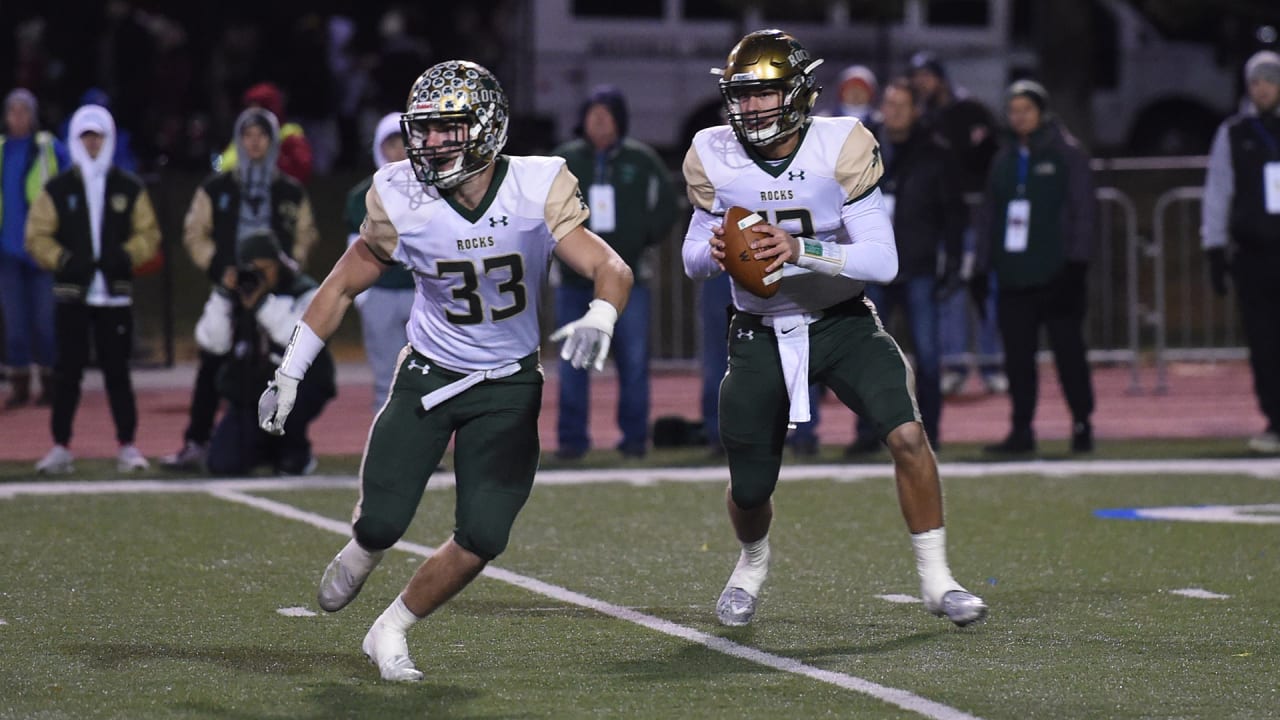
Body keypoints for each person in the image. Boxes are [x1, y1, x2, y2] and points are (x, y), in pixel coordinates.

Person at [256, 61, 632, 681]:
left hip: (509, 384)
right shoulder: (402, 194)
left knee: (484, 534)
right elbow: (341, 284)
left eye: (444, 130)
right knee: (380, 521)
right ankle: (364, 546)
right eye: (422, 130)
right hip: (429, 375)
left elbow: (611, 267)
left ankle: (391, 628)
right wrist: (291, 370)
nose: (426, 144)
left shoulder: (536, 186)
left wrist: (601, 314)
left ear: (485, 129)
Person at [681, 30, 986, 628]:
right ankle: (751, 564)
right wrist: (714, 252)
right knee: (748, 487)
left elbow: (884, 260)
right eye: (742, 96)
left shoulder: (841, 143)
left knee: (907, 437)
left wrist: (800, 248)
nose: (750, 108)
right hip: (759, 330)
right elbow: (691, 257)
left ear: (795, 93)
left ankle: (938, 580)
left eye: (763, 94)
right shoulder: (713, 152)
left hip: (842, 322)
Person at [160, 106, 319, 470]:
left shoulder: (290, 191)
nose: (254, 142)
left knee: (281, 365)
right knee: (212, 364)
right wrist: (221, 270)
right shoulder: (217, 187)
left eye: (261, 135)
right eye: (247, 135)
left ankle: (286, 445)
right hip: (230, 291)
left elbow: (304, 238)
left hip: (274, 295)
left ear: (273, 140)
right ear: (238, 139)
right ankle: (196, 441)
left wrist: (282, 275)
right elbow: (194, 233)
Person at [24, 104, 160, 473]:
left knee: (118, 373)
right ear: (76, 139)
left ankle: (127, 445)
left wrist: (125, 256)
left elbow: (149, 233)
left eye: (98, 135)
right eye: (86, 136)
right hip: (72, 295)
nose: (93, 143)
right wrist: (65, 260)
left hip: (114, 296)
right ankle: (60, 446)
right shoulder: (59, 188)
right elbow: (36, 234)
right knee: (67, 373)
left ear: (109, 138)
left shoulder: (128, 187)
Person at [552, 85, 677, 459]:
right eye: (593, 113)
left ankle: (635, 440)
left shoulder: (641, 159)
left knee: (634, 364)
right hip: (574, 282)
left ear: (620, 120)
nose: (599, 120)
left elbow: (667, 207)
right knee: (573, 364)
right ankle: (572, 442)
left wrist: (643, 238)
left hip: (629, 278)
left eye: (607, 114)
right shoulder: (565, 160)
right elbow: (543, 209)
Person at [975, 80, 1097, 454]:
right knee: (1017, 359)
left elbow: (1084, 210)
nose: (1019, 117)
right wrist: (980, 267)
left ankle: (1081, 422)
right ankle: (1021, 428)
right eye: (1013, 110)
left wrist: (1077, 263)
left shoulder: (1067, 153)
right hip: (1014, 275)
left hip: (1057, 274)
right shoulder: (1004, 158)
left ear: (1042, 112)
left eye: (1026, 109)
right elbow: (989, 215)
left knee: (1068, 354)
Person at [847, 78, 966, 455]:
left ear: (916, 110)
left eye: (902, 105)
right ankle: (867, 434)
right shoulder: (865, 150)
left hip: (917, 265)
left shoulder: (937, 151)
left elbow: (953, 213)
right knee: (867, 357)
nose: (893, 111)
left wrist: (953, 262)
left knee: (928, 357)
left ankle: (929, 433)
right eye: (889, 103)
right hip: (874, 265)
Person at [908, 51, 1007, 396]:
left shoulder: (970, 110)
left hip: (978, 216)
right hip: (942, 220)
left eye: (926, 75)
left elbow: (991, 157)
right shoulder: (920, 120)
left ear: (940, 76)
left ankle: (992, 364)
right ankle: (955, 364)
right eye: (916, 76)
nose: (922, 82)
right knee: (949, 291)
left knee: (986, 290)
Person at [199, 231, 333, 474]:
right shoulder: (236, 293)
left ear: (279, 264)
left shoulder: (304, 291)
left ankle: (295, 451)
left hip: (300, 386)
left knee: (287, 400)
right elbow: (213, 343)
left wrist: (261, 304)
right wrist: (222, 296)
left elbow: (296, 338)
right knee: (223, 464)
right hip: (250, 390)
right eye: (253, 269)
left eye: (266, 268)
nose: (260, 275)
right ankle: (266, 447)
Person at [1202, 50, 1280, 454]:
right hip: (1254, 255)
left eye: (1269, 79)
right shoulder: (1234, 133)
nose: (1262, 88)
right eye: (1256, 81)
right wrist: (1214, 246)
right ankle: (1275, 420)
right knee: (1264, 342)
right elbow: (1218, 191)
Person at [1, 88, 69, 409]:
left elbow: (72, 184)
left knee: (45, 322)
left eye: (24, 111)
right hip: (8, 253)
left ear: (33, 115)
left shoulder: (48, 149)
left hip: (42, 251)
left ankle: (51, 383)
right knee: (14, 324)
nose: (18, 118)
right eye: (12, 111)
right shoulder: (0, 151)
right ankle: (19, 385)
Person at [346, 112, 414, 412]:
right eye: (391, 143)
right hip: (381, 293)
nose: (398, 150)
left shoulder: (431, 188)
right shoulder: (361, 195)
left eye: (405, 142)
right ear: (379, 147)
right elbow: (354, 248)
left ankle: (427, 456)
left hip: (422, 293)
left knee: (430, 379)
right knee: (388, 380)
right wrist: (364, 297)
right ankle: (386, 457)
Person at [217, 82, 314, 184]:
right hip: (241, 194)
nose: (251, 114)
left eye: (257, 109)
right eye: (249, 108)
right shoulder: (244, 136)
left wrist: (269, 158)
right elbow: (223, 167)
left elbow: (302, 171)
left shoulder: (289, 134)